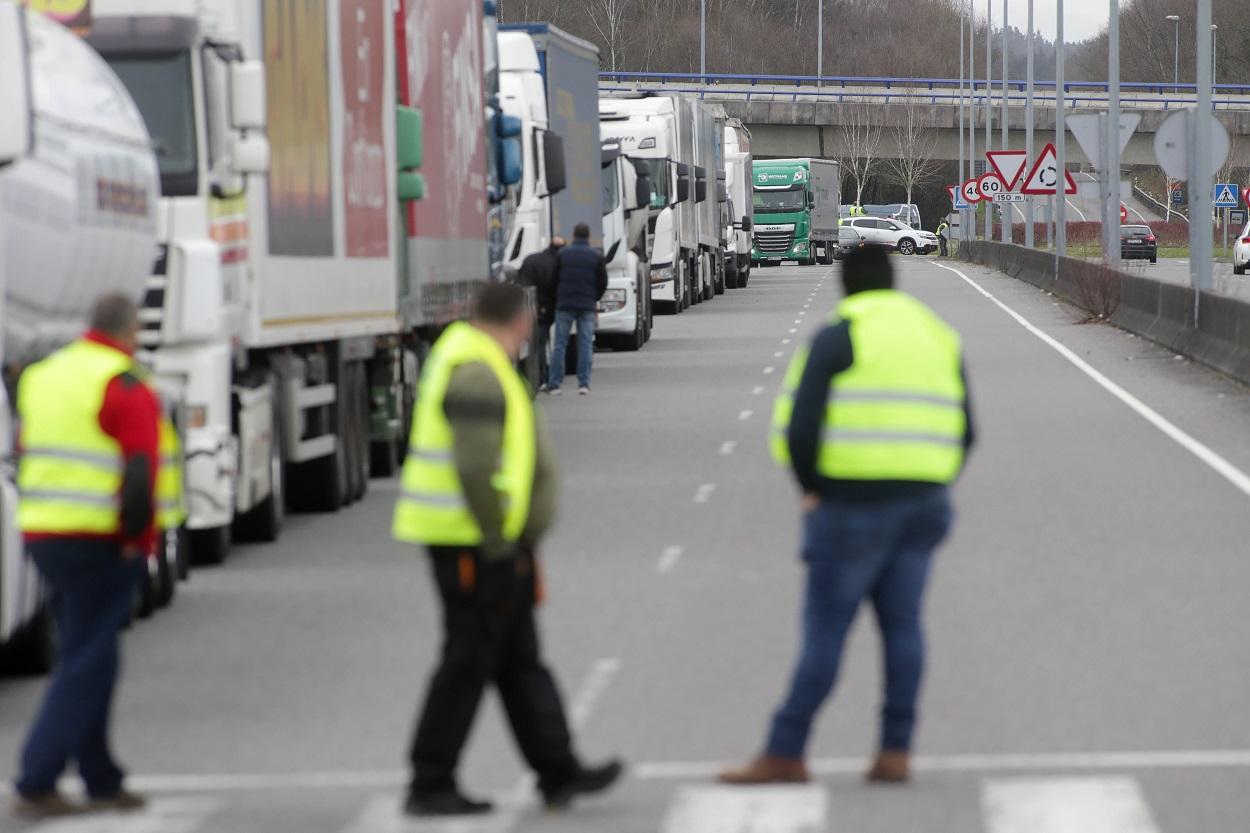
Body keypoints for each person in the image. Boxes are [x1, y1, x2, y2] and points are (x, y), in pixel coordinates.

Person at [720, 245, 974, 787]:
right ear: (893, 281)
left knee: (826, 633)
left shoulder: (839, 336)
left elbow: (801, 427)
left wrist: (811, 488)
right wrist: (930, 478)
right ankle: (896, 751)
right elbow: (967, 429)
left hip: (849, 507)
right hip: (923, 505)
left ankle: (786, 750)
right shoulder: (938, 335)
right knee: (903, 627)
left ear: (846, 285)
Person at [393, 282, 622, 816]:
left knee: (520, 662)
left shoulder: (478, 360)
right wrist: (499, 541)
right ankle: (430, 781)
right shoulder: (475, 369)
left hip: (488, 542)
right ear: (521, 322)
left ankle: (558, 771)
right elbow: (475, 466)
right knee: (467, 662)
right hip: (472, 544)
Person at [13, 295, 162, 819]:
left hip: (42, 532)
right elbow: (141, 471)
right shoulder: (124, 382)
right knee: (88, 656)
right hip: (99, 537)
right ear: (129, 331)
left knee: (92, 651)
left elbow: (27, 447)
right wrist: (137, 538)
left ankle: (101, 778)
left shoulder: (45, 375)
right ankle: (37, 776)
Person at [546, 223, 607, 396]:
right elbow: (603, 282)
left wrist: (557, 298)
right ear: (587, 237)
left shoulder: (562, 254)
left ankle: (555, 384)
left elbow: (552, 280)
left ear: (573, 236)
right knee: (585, 344)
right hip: (586, 305)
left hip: (564, 304)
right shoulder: (596, 257)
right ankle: (583, 383)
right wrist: (594, 297)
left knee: (559, 344)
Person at [518, 236, 565, 390]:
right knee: (552, 343)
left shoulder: (531, 260)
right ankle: (548, 377)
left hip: (531, 307)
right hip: (550, 308)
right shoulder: (559, 263)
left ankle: (539, 378)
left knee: (537, 344)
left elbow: (522, 284)